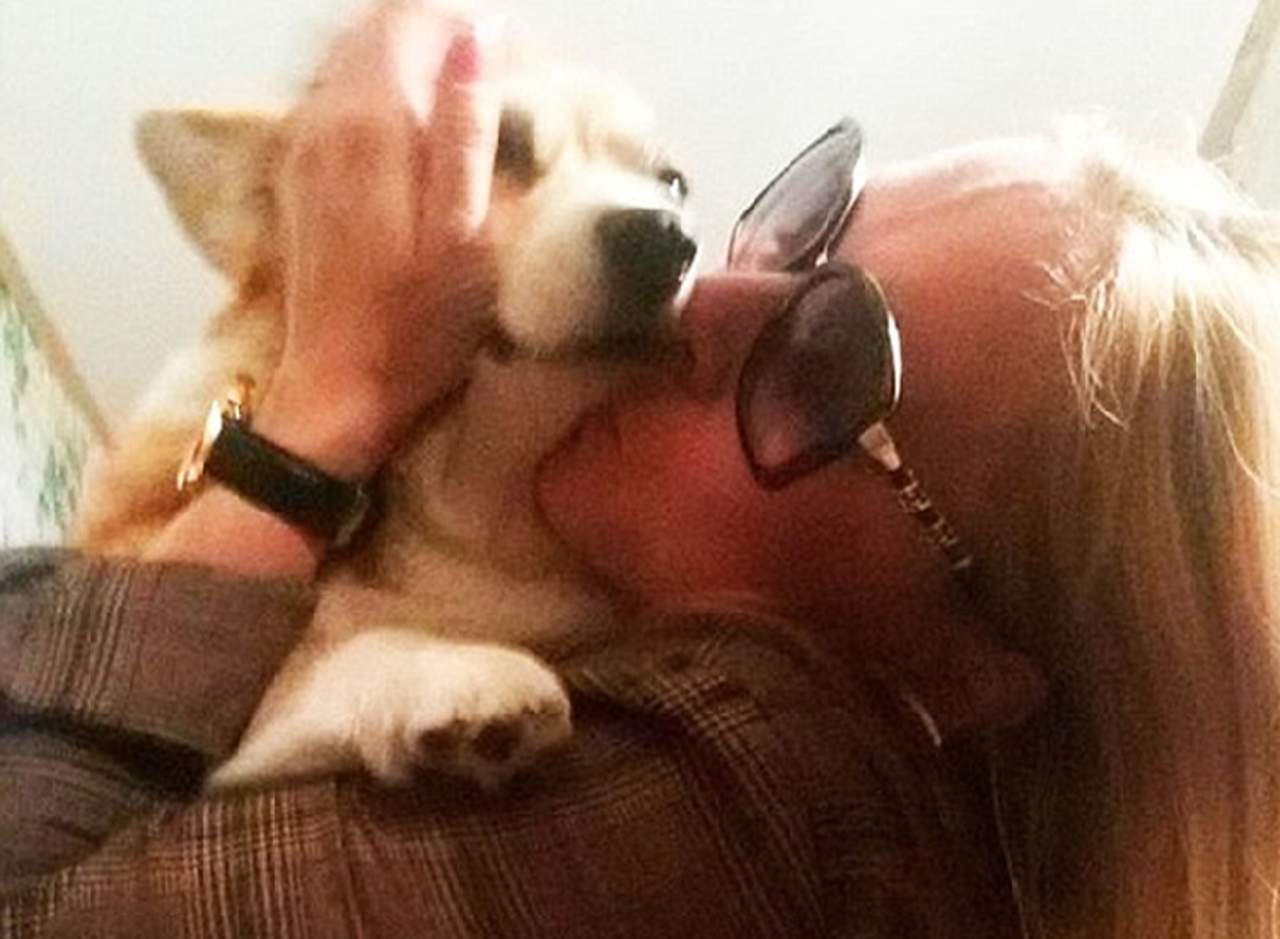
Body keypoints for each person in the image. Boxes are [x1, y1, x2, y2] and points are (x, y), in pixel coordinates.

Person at [3, 2, 1279, 937]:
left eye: (827, 358)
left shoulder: (749, 797)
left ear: (966, 671)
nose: (700, 287)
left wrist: (318, 410)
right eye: (797, 225)